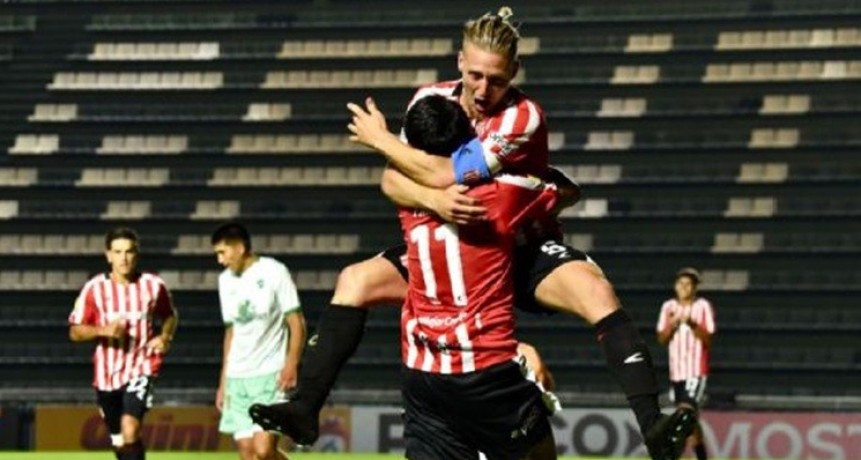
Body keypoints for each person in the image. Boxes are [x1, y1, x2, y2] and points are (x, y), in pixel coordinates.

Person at [252, 7, 694, 460]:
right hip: (457, 244)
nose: (483, 90)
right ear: (460, 61)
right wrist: (435, 201)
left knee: (596, 293)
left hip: (518, 245)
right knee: (354, 280)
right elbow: (393, 180)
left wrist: (384, 142)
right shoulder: (430, 100)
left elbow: (445, 172)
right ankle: (305, 407)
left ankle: (652, 424)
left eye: (496, 80)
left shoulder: (522, 117)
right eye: (476, 75)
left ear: (514, 72)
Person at [401, 95, 561, 459]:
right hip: (484, 366)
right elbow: (561, 192)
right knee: (539, 452)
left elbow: (393, 177)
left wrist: (381, 139)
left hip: (422, 370)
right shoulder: (502, 193)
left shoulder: (406, 198)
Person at [68, 227, 178, 460]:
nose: (124, 258)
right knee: (119, 441)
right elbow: (75, 332)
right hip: (106, 375)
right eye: (118, 252)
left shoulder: (153, 285)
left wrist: (165, 336)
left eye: (129, 252)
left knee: (130, 428)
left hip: (142, 366)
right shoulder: (94, 289)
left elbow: (169, 315)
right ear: (108, 255)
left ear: (137, 254)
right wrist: (102, 330)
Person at [212, 222, 306, 460]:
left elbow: (296, 323)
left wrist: (292, 363)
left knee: (263, 451)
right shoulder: (225, 280)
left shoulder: (274, 271)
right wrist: (223, 381)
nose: (220, 260)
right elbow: (231, 332)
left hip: (270, 374)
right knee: (248, 453)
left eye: (222, 252)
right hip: (237, 378)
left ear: (240, 248)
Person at [657, 268, 716, 460]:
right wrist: (673, 325)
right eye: (681, 283)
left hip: (695, 370)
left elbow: (708, 339)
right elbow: (662, 339)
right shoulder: (668, 307)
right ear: (675, 286)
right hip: (676, 372)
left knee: (684, 414)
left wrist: (691, 323)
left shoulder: (702, 307)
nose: (684, 287)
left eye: (688, 284)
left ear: (695, 288)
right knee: (691, 421)